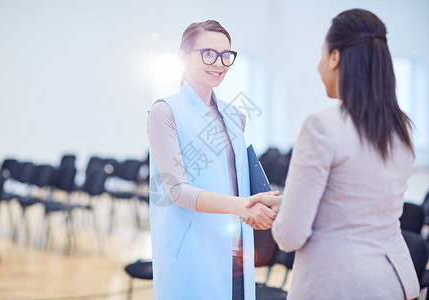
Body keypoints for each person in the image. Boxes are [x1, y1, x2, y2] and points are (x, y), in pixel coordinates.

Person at [249, 8, 419, 299]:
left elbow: (290, 237)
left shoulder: (321, 127)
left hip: (336, 284)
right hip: (395, 281)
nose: (319, 66)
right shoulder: (399, 127)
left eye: (321, 54)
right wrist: (283, 203)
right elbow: (351, 205)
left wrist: (274, 217)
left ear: (335, 57)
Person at [147, 20, 279, 300]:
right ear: (182, 56)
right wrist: (242, 207)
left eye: (226, 55)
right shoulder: (165, 111)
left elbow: (237, 179)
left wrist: (263, 201)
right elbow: (177, 191)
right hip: (191, 247)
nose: (218, 63)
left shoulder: (235, 116)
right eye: (208, 53)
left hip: (236, 246)